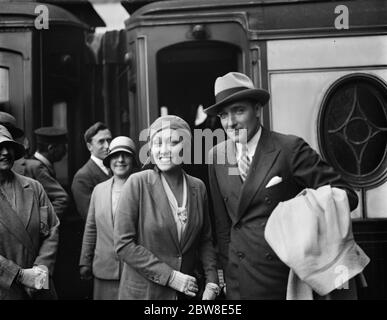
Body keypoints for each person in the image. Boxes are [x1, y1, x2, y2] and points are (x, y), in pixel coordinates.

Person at [204, 72, 359, 300]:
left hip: (282, 278)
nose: (230, 122)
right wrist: (228, 276)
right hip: (238, 280)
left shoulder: (289, 148)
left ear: (257, 110)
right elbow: (223, 227)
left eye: (239, 111)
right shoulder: (216, 156)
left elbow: (347, 196)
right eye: (223, 115)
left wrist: (296, 213)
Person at [114, 115, 219, 300]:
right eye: (157, 143)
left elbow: (205, 240)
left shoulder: (198, 187)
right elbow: (124, 245)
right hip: (144, 295)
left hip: (185, 295)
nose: (164, 150)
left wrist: (212, 281)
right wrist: (171, 277)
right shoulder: (138, 183)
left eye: (173, 142)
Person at [0, 125, 59, 300]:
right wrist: (19, 275)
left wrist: (39, 274)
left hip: (39, 287)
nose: (5, 152)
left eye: (8, 147)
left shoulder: (33, 187)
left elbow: (52, 229)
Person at [79, 136, 137, 300]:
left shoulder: (143, 188)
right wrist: (85, 261)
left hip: (135, 271)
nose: (120, 160)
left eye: (125, 155)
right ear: (109, 160)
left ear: (133, 160)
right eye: (115, 155)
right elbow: (91, 228)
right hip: (104, 270)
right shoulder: (99, 190)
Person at [16, 127, 69, 220]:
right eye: (63, 147)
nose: (65, 151)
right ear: (51, 148)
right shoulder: (37, 168)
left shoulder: (37, 164)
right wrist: (46, 223)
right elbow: (62, 198)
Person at [71, 122, 112, 221]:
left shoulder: (117, 168)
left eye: (109, 140)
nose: (107, 146)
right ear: (89, 146)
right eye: (101, 141)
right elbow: (90, 216)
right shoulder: (82, 177)